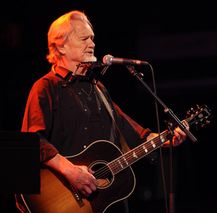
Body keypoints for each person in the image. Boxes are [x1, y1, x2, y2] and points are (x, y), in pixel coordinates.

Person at [16, 10, 187, 213]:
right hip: (62, 201)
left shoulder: (98, 88)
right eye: (84, 38)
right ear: (61, 45)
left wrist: (166, 138)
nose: (92, 44)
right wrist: (71, 172)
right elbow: (32, 140)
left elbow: (133, 133)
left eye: (93, 38)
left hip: (105, 203)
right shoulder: (45, 87)